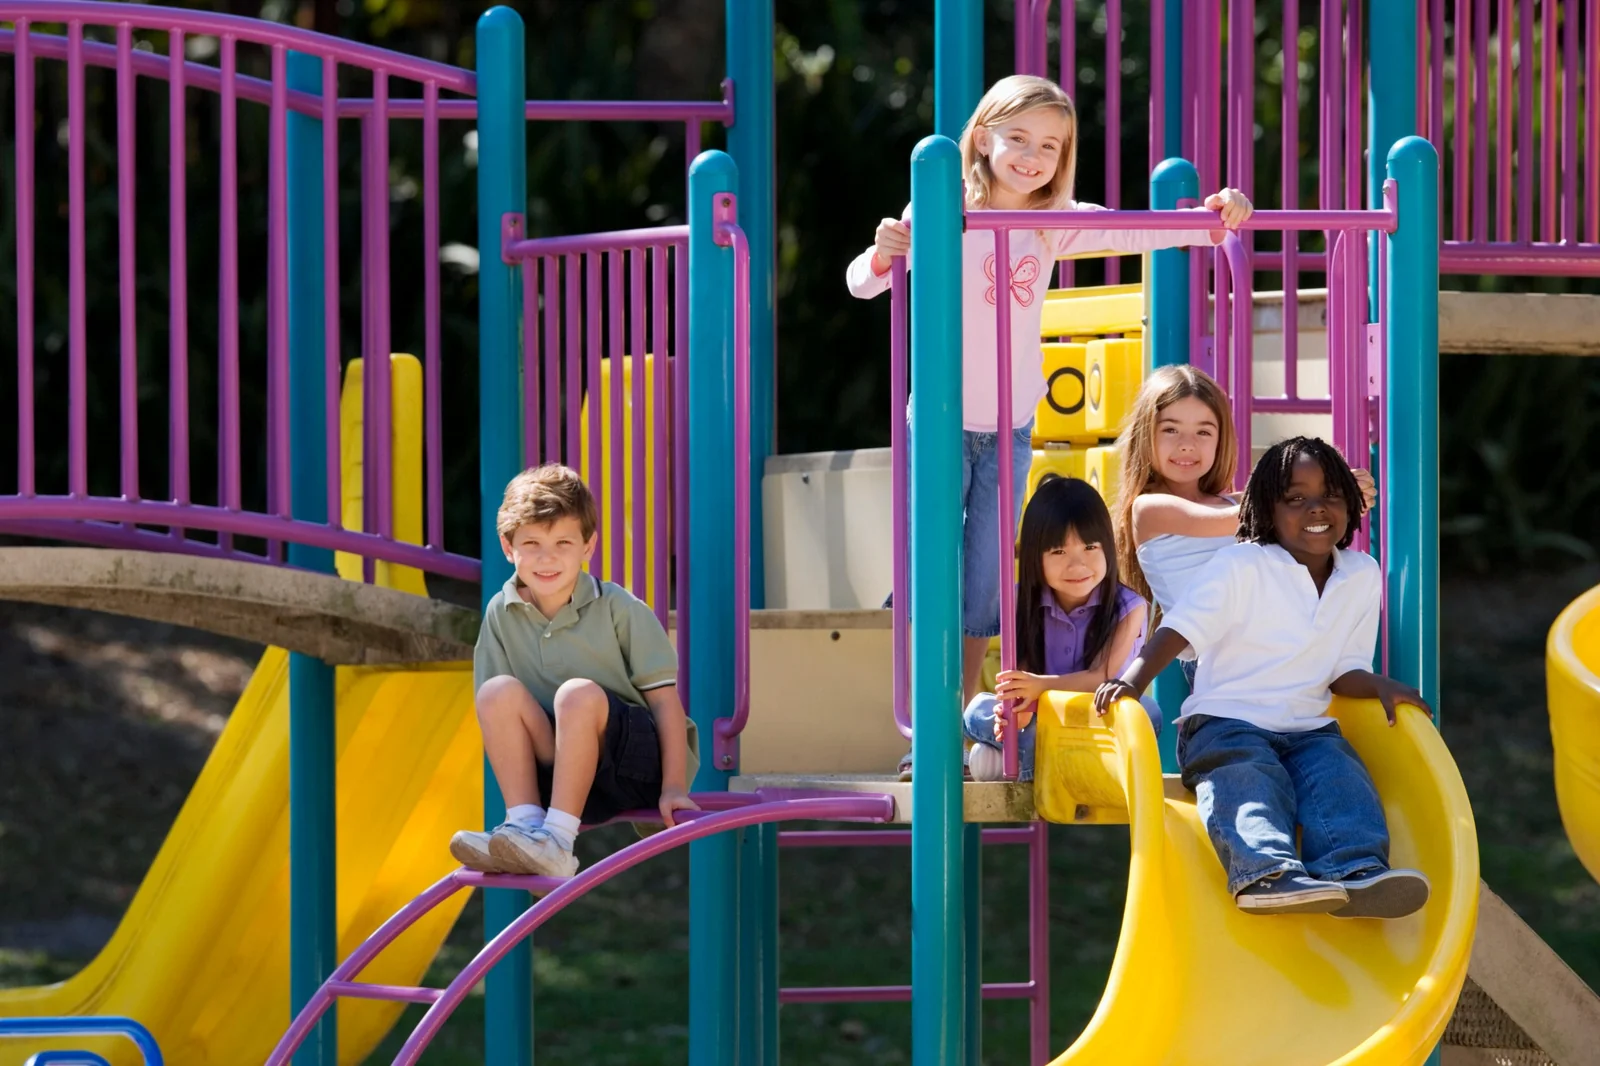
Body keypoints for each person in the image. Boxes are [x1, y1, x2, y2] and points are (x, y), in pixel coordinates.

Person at [846, 73, 1253, 776]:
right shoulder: (943, 208)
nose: (1032, 156)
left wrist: (1215, 217)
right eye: (1019, 139)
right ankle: (926, 729)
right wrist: (886, 248)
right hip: (940, 425)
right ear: (983, 139)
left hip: (1010, 427)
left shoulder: (1050, 219)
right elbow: (864, 280)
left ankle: (958, 720)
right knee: (936, 568)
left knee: (982, 579)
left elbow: (1140, 229)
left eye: (1050, 146)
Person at [1093, 437, 1432, 919]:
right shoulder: (1242, 564)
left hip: (1307, 727)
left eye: (1332, 495)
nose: (1317, 508)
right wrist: (1133, 680)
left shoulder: (1361, 574)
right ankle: (1264, 873)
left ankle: (1354, 872)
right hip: (1224, 723)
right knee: (1248, 775)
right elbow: (1180, 626)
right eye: (1296, 499)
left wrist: (1377, 684)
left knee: (1339, 777)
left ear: (1351, 506)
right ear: (1266, 511)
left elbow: (1342, 669)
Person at [449, 464, 699, 879]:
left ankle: (557, 843)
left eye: (563, 542)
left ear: (587, 546)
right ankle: (525, 829)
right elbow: (501, 721)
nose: (547, 557)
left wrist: (674, 786)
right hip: (560, 769)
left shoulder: (619, 608)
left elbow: (664, 701)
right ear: (508, 547)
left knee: (576, 693)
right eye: (532, 542)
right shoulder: (500, 612)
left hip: (633, 766)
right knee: (495, 692)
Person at [1113, 364, 1375, 682]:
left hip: (1271, 641)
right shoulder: (1149, 508)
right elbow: (1246, 515)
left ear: (1221, 440)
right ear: (1146, 434)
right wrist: (1323, 496)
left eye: (1203, 432)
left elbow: (1278, 509)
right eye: (1170, 429)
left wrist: (1338, 496)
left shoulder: (1230, 502)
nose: (1187, 444)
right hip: (1218, 658)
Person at [964, 475, 1147, 782]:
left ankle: (1022, 763)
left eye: (1090, 547)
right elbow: (1021, 676)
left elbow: (1102, 679)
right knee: (976, 711)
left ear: (1108, 547)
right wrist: (1017, 709)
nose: (1077, 566)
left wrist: (1040, 688)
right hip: (1044, 719)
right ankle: (1042, 761)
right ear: (1036, 557)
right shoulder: (1020, 600)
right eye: (1059, 552)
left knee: (1147, 714)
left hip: (1097, 720)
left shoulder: (1129, 607)